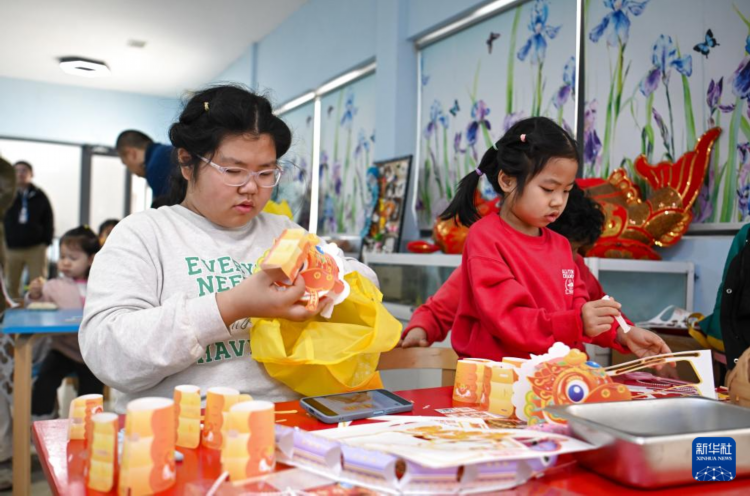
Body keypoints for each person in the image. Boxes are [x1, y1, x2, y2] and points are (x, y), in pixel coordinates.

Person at [80, 85, 376, 413]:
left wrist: (328, 276)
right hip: (179, 425)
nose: (251, 187)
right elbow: (108, 355)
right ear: (187, 162)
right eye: (233, 171)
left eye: (266, 173)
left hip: (285, 422)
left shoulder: (283, 231)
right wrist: (230, 306)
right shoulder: (144, 234)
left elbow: (364, 279)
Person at [435, 117, 669, 361]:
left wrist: (622, 333)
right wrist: (576, 322)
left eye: (566, 191)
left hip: (555, 372)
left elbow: (579, 305)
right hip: (499, 375)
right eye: (548, 189)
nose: (558, 201)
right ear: (507, 181)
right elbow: (506, 318)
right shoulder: (486, 237)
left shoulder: (560, 245)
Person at [401, 185, 671, 363]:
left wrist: (625, 332)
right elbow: (441, 308)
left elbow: (603, 310)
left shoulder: (574, 264)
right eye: (570, 248)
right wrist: (421, 328)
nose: (573, 258)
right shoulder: (491, 259)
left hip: (561, 375)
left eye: (578, 250)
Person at [27, 226, 104, 418]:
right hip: (62, 348)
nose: (65, 262)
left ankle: (88, 422)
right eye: (62, 257)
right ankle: (42, 419)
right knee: (44, 381)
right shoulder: (53, 285)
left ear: (91, 259)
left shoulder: (100, 284)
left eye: (73, 258)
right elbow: (38, 306)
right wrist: (35, 295)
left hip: (91, 352)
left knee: (92, 390)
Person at [3, 161, 54, 299]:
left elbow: (48, 219)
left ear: (31, 174)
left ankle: (39, 307)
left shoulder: (39, 195)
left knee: (38, 282)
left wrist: (46, 241)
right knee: (10, 283)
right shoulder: (6, 195)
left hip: (36, 248)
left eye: (24, 170)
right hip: (11, 248)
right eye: (17, 170)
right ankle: (12, 308)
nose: (20, 173)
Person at [115, 130, 173, 202]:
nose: (131, 171)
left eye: (125, 163)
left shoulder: (155, 168)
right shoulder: (165, 151)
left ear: (132, 154)